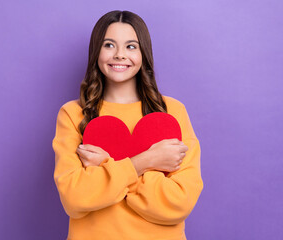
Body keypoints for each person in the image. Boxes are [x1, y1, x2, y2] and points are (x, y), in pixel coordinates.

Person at [52, 10, 203, 240]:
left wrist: (104, 167)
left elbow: (180, 202)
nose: (120, 55)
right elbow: (74, 198)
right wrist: (146, 162)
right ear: (96, 52)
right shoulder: (73, 114)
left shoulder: (172, 112)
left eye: (131, 46)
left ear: (143, 53)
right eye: (109, 45)